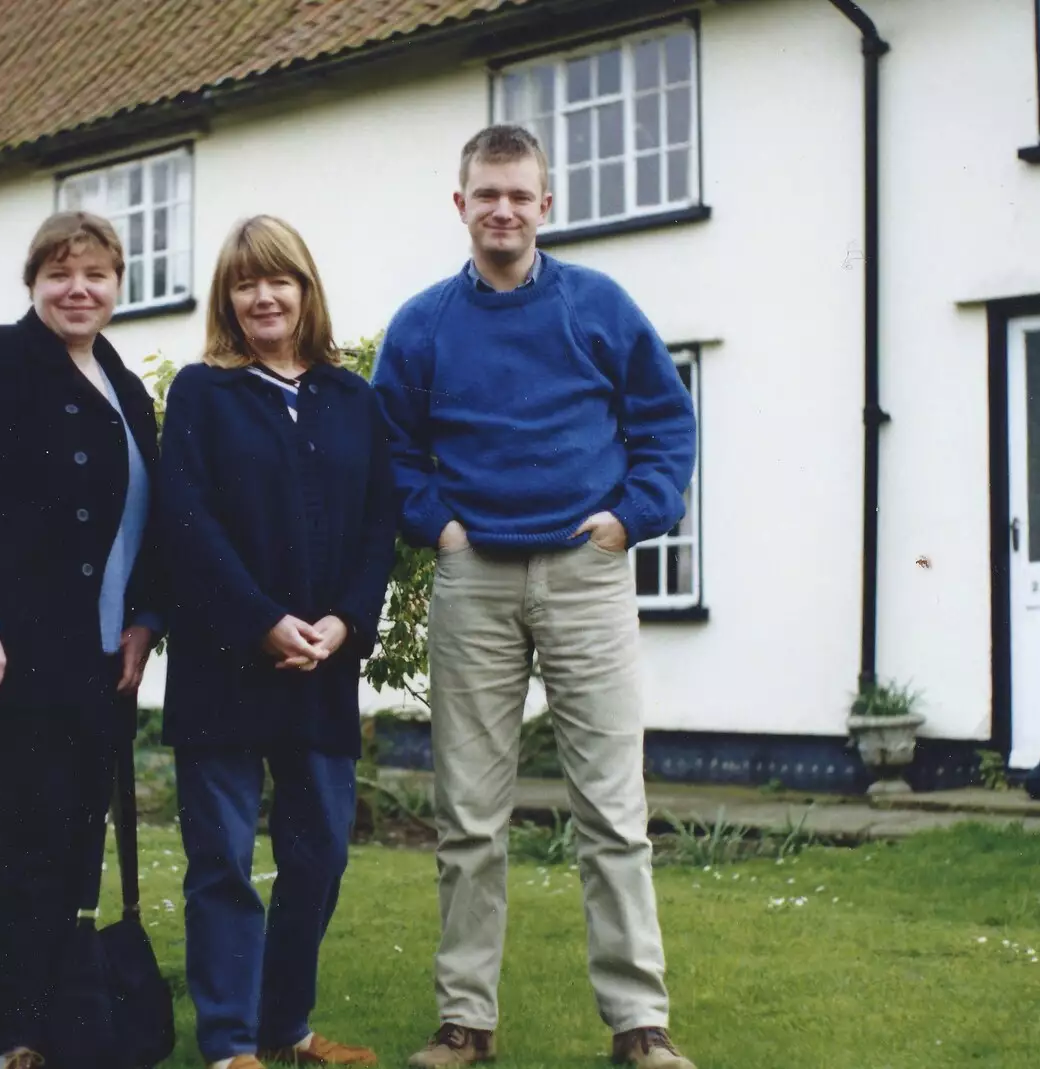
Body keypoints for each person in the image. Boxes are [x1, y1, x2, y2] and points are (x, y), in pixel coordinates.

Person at [371, 125, 699, 1069]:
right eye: (487, 194)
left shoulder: (598, 307)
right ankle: (465, 1021)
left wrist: (628, 520)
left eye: (520, 194)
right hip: (474, 575)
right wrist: (439, 525)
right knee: (469, 813)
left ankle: (640, 1023)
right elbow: (391, 450)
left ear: (547, 204)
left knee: (613, 809)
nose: (503, 209)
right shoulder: (424, 323)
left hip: (586, 571)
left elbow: (666, 425)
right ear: (461, 204)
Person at [0, 211, 166, 1069]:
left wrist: (144, 621)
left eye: (96, 274)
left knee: (76, 844)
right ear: (34, 281)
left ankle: (67, 1021)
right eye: (61, 273)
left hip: (101, 660)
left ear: (117, 286)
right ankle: (15, 1035)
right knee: (29, 842)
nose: (79, 289)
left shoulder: (123, 382)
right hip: (15, 653)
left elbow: (149, 520)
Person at [158, 215, 396, 1069]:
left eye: (279, 279)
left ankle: (285, 1028)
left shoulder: (352, 399)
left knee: (321, 854)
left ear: (306, 289)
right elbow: (185, 522)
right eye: (246, 282)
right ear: (229, 298)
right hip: (224, 667)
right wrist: (261, 620)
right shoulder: (200, 393)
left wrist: (347, 621)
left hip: (321, 670)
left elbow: (379, 522)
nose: (264, 296)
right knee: (221, 858)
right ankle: (229, 1045)